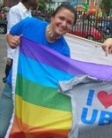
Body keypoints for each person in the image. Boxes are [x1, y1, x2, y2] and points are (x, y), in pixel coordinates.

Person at [0, 4, 77, 137]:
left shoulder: (64, 51)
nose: (64, 24)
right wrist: (11, 40)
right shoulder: (29, 25)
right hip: (13, 90)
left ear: (71, 27)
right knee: (1, 130)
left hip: (35, 100)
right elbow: (10, 34)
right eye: (61, 18)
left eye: (69, 22)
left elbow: (59, 81)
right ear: (52, 17)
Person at [2, 0, 38, 83]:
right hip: (14, 56)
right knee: (11, 87)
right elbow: (14, 32)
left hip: (24, 56)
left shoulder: (29, 12)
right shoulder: (15, 10)